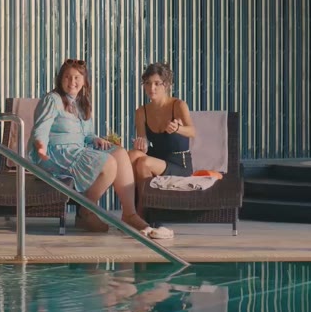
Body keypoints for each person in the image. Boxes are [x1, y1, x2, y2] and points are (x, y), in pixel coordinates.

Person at [28, 59, 161, 237]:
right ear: (60, 79)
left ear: (84, 81)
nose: (72, 81)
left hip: (78, 149)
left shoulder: (82, 103)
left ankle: (129, 214)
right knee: (108, 163)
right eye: (67, 77)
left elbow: (86, 134)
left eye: (77, 77)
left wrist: (96, 139)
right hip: (55, 154)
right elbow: (41, 129)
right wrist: (40, 146)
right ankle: (86, 211)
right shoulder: (52, 100)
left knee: (120, 153)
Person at [128, 63, 195, 236]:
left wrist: (177, 128)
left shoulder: (178, 105)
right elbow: (143, 142)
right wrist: (141, 145)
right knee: (131, 156)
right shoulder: (141, 112)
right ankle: (129, 212)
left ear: (166, 84)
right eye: (148, 83)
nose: (152, 88)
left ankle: (141, 214)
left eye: (157, 83)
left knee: (143, 163)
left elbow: (192, 132)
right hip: (156, 158)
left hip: (179, 163)